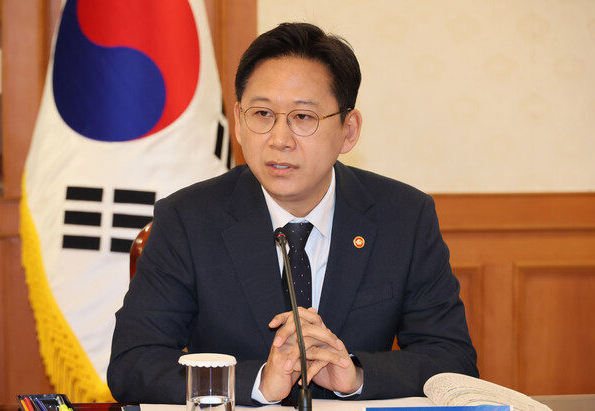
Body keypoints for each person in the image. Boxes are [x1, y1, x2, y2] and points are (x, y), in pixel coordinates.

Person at [107, 22, 478, 406]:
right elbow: (132, 364)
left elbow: (453, 360)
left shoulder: (403, 217)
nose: (279, 139)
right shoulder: (187, 219)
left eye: (302, 117)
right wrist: (257, 383)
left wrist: (355, 374)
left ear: (349, 130)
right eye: (262, 113)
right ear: (238, 121)